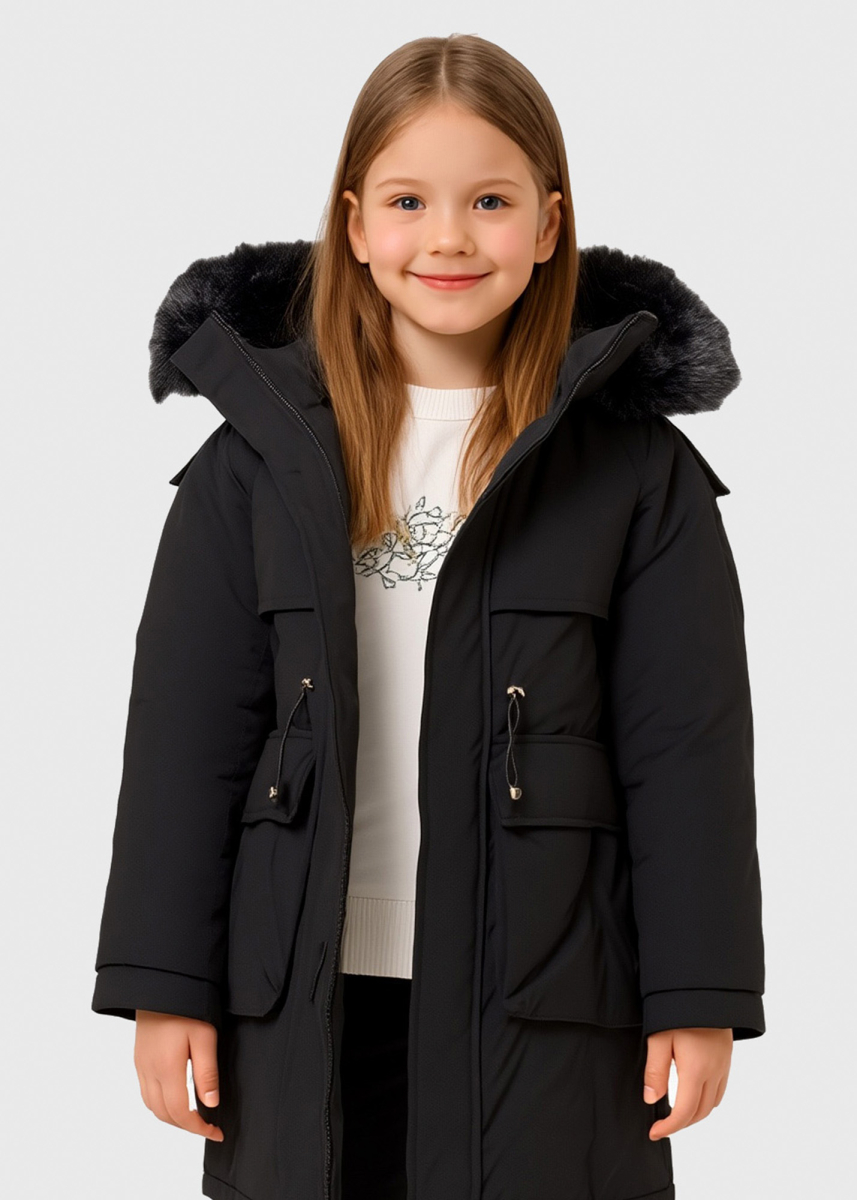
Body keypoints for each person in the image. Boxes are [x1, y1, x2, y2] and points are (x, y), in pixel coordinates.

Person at [91, 32, 766, 1200]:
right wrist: (164, 984)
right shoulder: (253, 460)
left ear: (548, 225)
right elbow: (185, 740)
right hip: (300, 996)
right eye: (408, 201)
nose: (447, 237)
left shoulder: (632, 472)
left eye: (489, 201)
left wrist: (696, 995)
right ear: (354, 226)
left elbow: (686, 751)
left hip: (548, 1000)